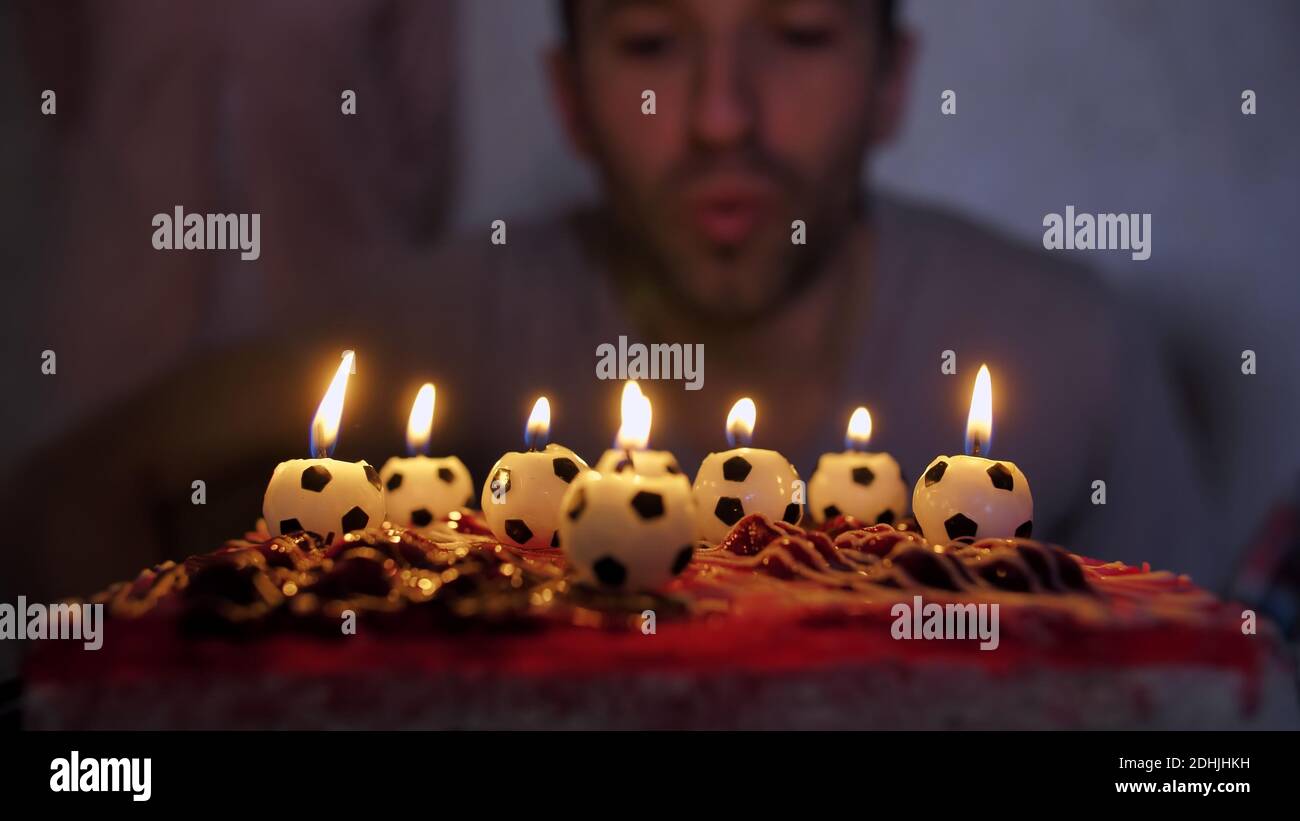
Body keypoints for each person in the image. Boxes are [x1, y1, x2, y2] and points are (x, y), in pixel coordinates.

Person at [2, 0, 1215, 609]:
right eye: (648, 44)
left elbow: (1216, 709)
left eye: (794, 34)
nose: (722, 117)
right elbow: (63, 494)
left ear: (893, 82)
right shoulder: (437, 328)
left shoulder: (1067, 350)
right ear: (569, 99)